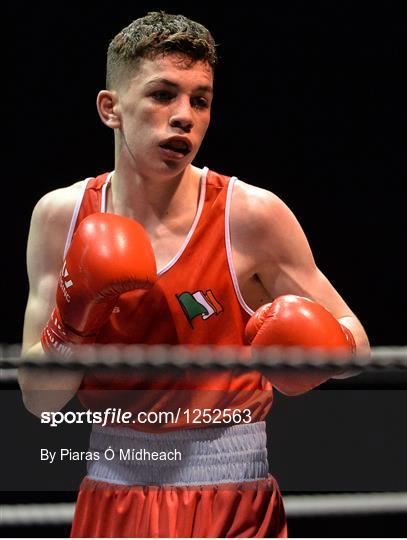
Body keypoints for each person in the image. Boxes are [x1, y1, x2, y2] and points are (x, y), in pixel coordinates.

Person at [19, 11, 370, 538]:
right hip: (112, 491)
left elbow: (358, 343)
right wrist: (74, 322)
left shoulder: (250, 215)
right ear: (110, 109)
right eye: (163, 95)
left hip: (232, 498)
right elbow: (39, 399)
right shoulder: (61, 217)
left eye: (199, 100)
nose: (184, 116)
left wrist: (327, 348)